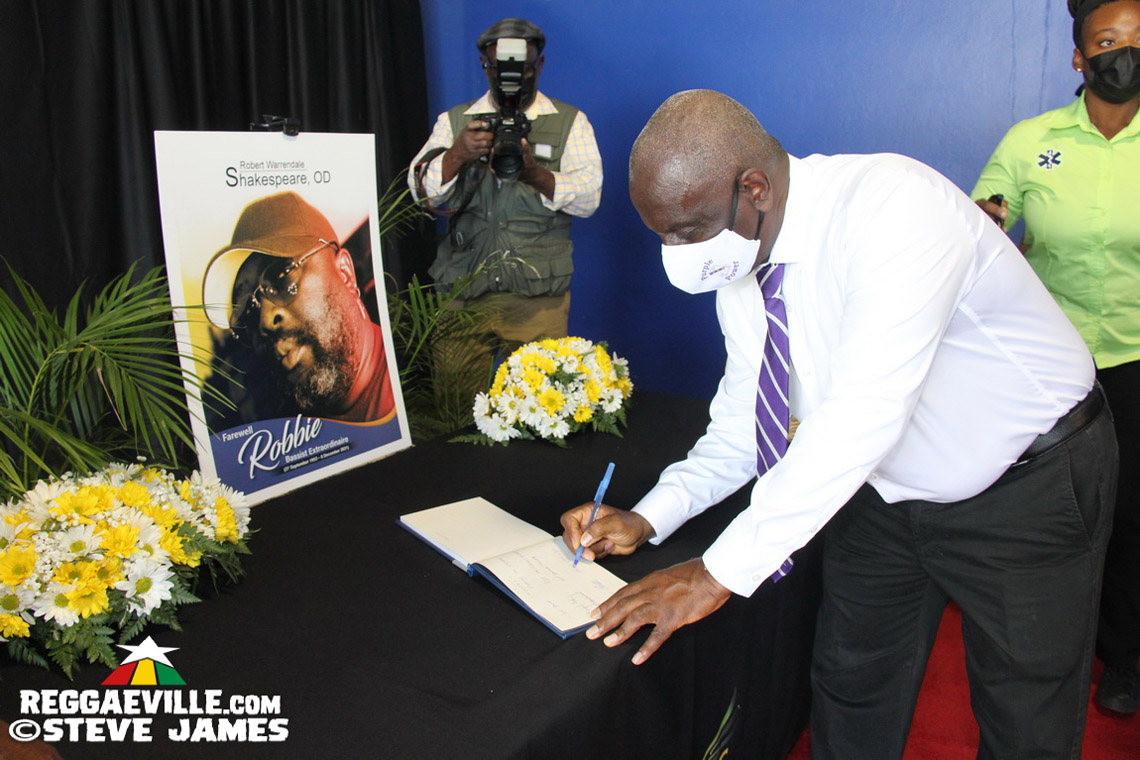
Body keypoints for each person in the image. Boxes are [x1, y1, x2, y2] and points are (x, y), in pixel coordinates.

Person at [561, 90, 1117, 758]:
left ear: (755, 189)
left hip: (1025, 487)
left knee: (1025, 712)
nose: (675, 253)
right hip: (880, 489)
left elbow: (863, 414)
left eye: (686, 230)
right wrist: (649, 517)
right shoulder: (740, 253)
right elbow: (748, 417)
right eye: (661, 234)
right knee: (852, 684)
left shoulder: (895, 208)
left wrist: (712, 574)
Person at [972, 0, 1140, 717]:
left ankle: (1124, 657)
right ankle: (1044, 651)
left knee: (1130, 514)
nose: (1123, 53)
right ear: (1080, 57)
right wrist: (986, 222)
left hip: (1136, 357)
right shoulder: (1032, 140)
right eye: (1107, 40)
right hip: (1051, 366)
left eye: (1137, 40)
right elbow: (983, 223)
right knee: (1049, 514)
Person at [407, 17, 602, 363]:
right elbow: (421, 192)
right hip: (463, 293)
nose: (511, 79)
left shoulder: (570, 122)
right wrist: (457, 155)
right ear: (485, 64)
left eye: (523, 69)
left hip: (537, 299)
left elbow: (590, 198)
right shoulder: (455, 121)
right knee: (456, 396)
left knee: (540, 395)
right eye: (499, 68)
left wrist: (534, 174)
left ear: (540, 64)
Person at [202, 191, 395, 425]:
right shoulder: (292, 435)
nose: (264, 321)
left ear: (345, 274)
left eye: (281, 277)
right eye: (249, 313)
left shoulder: (410, 381)